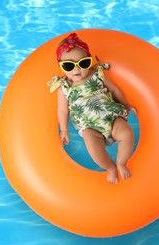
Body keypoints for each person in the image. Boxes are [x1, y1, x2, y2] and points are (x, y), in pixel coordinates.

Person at [48, 33, 136, 184]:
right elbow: (63, 110)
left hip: (112, 117)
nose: (76, 69)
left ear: (89, 61)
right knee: (93, 149)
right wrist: (64, 130)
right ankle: (110, 167)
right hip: (90, 127)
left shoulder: (98, 74)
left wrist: (126, 104)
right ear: (61, 67)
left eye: (83, 63)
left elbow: (114, 90)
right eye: (69, 65)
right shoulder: (64, 88)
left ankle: (121, 162)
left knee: (127, 133)